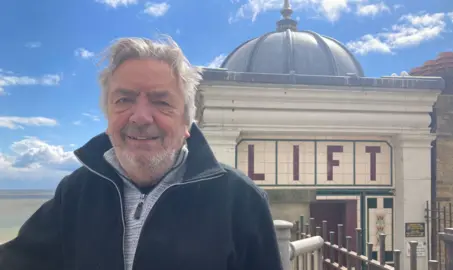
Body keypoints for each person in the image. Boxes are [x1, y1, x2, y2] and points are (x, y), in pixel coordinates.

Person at [0, 36, 283, 270]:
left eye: (161, 102)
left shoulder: (241, 201)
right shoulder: (76, 192)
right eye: (124, 100)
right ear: (108, 116)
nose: (141, 117)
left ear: (186, 122)